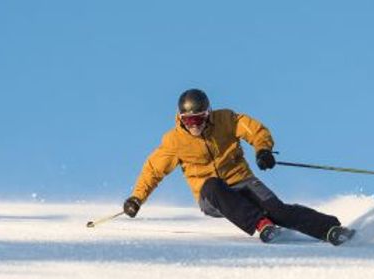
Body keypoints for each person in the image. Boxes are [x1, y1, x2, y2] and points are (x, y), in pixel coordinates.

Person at [123, 88, 354, 245]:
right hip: (212, 196)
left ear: (208, 114)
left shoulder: (226, 120)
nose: (194, 126)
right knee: (212, 185)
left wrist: (263, 150)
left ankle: (331, 230)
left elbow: (254, 130)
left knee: (278, 211)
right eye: (188, 121)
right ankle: (261, 224)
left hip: (241, 179)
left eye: (199, 119)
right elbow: (153, 170)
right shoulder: (174, 140)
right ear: (180, 118)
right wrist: (136, 198)